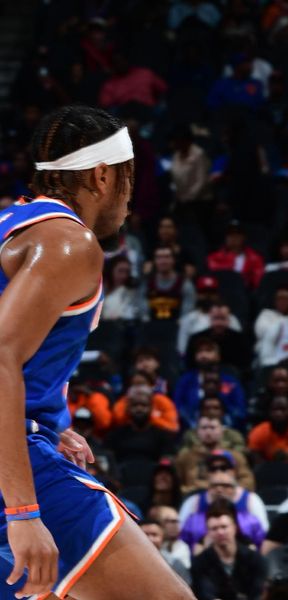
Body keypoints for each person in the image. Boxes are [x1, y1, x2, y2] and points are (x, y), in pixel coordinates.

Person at [0, 105, 193, 598]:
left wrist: (51, 422)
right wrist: (22, 511)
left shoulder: (11, 223)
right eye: (131, 179)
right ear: (104, 175)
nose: (131, 200)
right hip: (17, 462)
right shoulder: (70, 241)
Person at [191, 501, 266, 600]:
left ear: (235, 528)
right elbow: (205, 594)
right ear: (208, 532)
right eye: (214, 528)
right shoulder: (200, 562)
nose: (220, 532)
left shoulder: (255, 559)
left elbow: (258, 593)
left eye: (224, 527)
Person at [179, 470, 268, 551]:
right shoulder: (193, 520)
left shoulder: (251, 521)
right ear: (208, 490)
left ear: (234, 490)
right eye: (214, 486)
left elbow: (262, 547)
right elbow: (182, 546)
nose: (219, 489)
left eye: (225, 486)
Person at [175, 422, 254, 494]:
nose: (208, 432)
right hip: (193, 498)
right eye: (204, 428)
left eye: (213, 428)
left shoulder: (236, 456)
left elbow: (248, 482)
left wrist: (225, 487)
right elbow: (175, 485)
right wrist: (193, 490)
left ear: (222, 431)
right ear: (197, 432)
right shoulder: (185, 456)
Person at [104, 389, 177, 463]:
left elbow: (167, 461)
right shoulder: (115, 436)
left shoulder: (163, 436)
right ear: (128, 408)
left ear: (151, 408)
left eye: (144, 405)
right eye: (135, 405)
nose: (139, 408)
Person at [140, 518, 191, 584]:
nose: (150, 539)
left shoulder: (174, 564)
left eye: (154, 534)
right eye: (145, 534)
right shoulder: (128, 561)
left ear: (162, 537)